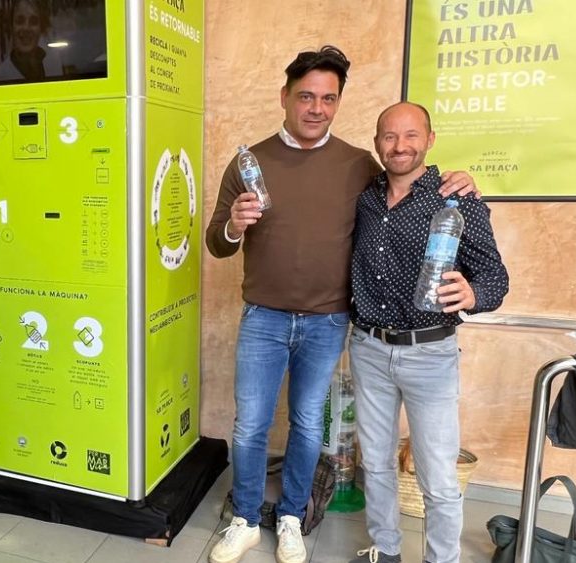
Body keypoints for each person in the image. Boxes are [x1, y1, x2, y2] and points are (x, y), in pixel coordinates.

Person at [204, 46, 478, 563]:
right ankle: (243, 518)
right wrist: (233, 227)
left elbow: (406, 190)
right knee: (250, 424)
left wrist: (458, 182)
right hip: (262, 316)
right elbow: (216, 243)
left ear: (338, 104)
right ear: (285, 97)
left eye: (328, 99)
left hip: (328, 321)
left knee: (308, 424)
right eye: (305, 96)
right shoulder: (250, 162)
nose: (316, 108)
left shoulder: (358, 165)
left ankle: (289, 517)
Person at [346, 103, 508, 563]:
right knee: (375, 464)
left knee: (436, 475)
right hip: (368, 347)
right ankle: (386, 549)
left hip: (430, 353)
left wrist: (474, 293)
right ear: (377, 141)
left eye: (411, 136)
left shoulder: (456, 200)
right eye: (389, 137)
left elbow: (495, 277)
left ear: (430, 140)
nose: (400, 146)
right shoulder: (366, 197)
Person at [0, 0, 63, 82]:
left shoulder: (54, 64)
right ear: (11, 27)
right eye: (20, 21)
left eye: (33, 22)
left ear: (41, 27)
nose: (26, 28)